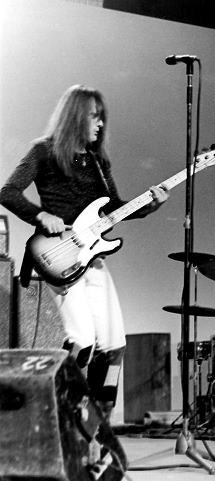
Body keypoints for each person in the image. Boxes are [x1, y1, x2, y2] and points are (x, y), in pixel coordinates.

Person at [0, 84, 169, 419]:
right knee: (82, 341)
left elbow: (114, 208)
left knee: (114, 345)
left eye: (101, 117)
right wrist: (40, 215)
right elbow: (8, 192)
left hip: (93, 257)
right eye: (94, 116)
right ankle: (65, 411)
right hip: (59, 256)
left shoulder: (97, 161)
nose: (100, 124)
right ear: (76, 116)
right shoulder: (44, 152)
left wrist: (151, 204)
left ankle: (99, 419)